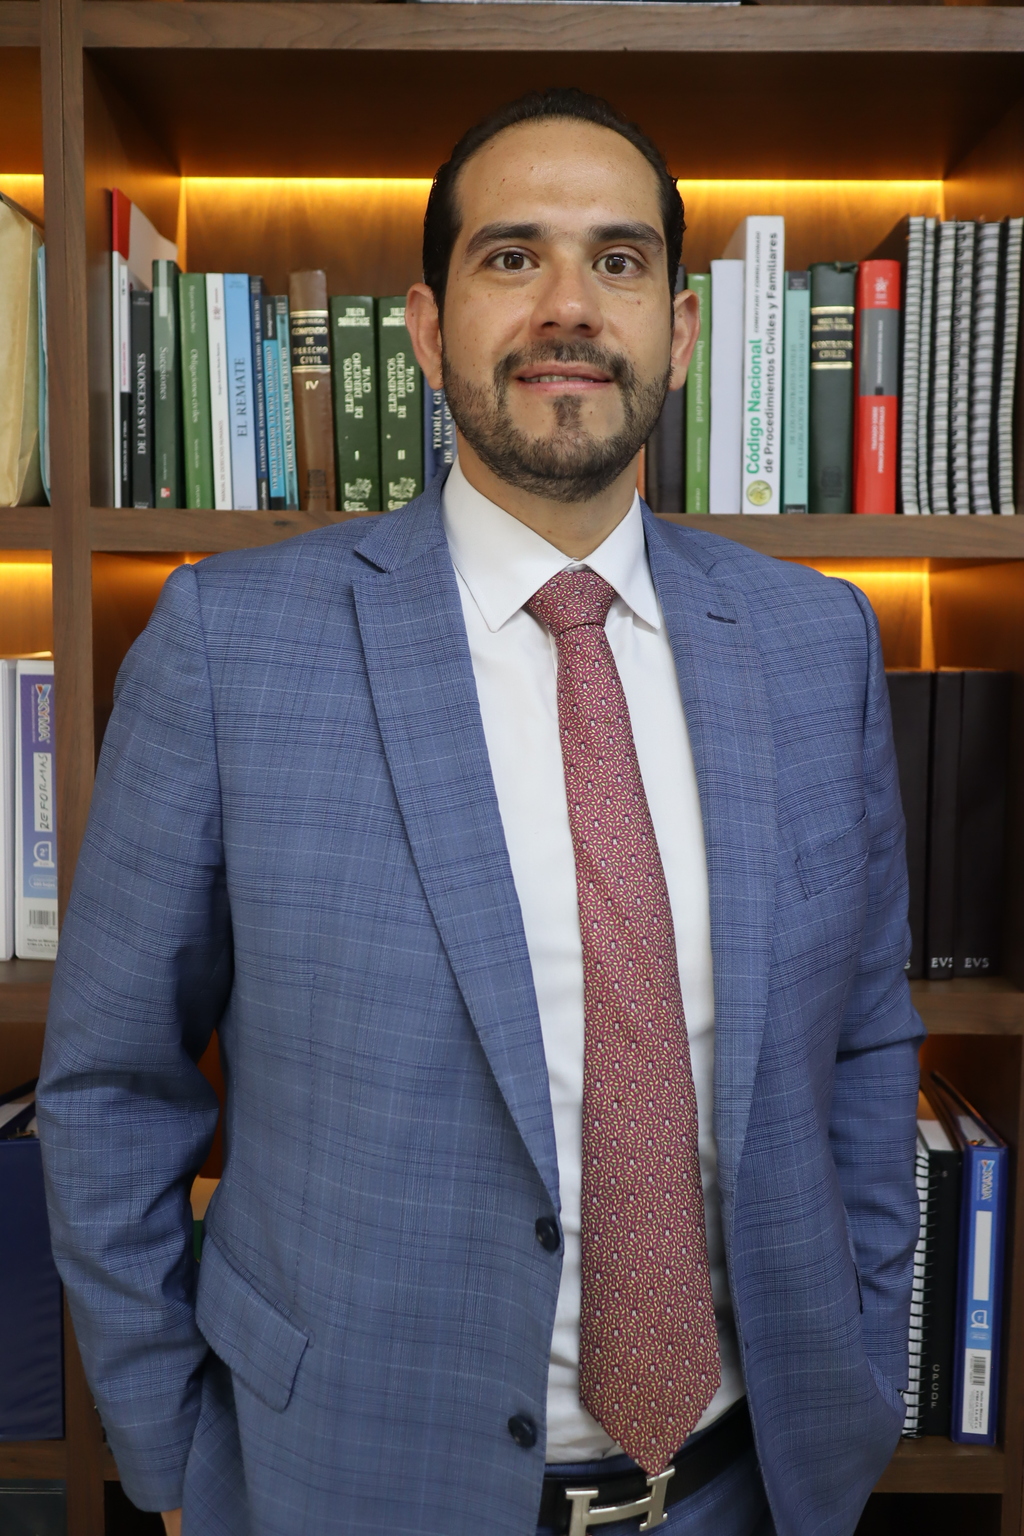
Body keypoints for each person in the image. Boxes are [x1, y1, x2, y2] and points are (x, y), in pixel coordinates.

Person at [38, 89, 923, 1536]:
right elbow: (113, 1090)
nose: (569, 305)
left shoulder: (815, 643)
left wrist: (863, 1367)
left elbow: (867, 1043)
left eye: (618, 261)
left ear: (680, 331)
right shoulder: (227, 647)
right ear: (426, 326)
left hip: (749, 1490)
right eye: (513, 257)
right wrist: (174, 1458)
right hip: (345, 1489)